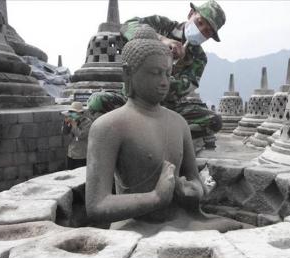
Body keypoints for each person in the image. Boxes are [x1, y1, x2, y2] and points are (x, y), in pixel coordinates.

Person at [85, 25, 246, 236]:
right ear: (128, 73)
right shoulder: (109, 126)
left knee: (240, 230)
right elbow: (96, 205)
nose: (164, 82)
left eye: (168, 74)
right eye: (155, 73)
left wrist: (193, 191)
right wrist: (156, 197)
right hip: (137, 227)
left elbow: (196, 180)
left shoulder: (179, 122)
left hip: (182, 219)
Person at [120, 0, 225, 148]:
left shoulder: (199, 58)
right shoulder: (162, 25)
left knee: (214, 121)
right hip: (132, 98)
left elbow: (184, 87)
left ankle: (163, 135)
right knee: (98, 101)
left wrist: (171, 69)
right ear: (191, 14)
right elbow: (127, 26)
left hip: (165, 108)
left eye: (207, 32)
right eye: (200, 22)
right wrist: (162, 40)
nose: (201, 30)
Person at [61, 101, 93, 169]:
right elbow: (64, 132)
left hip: (81, 155)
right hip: (71, 153)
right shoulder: (72, 120)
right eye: (71, 112)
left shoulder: (87, 122)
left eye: (74, 112)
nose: (72, 114)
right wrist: (66, 123)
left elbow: (81, 135)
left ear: (80, 113)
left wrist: (74, 126)